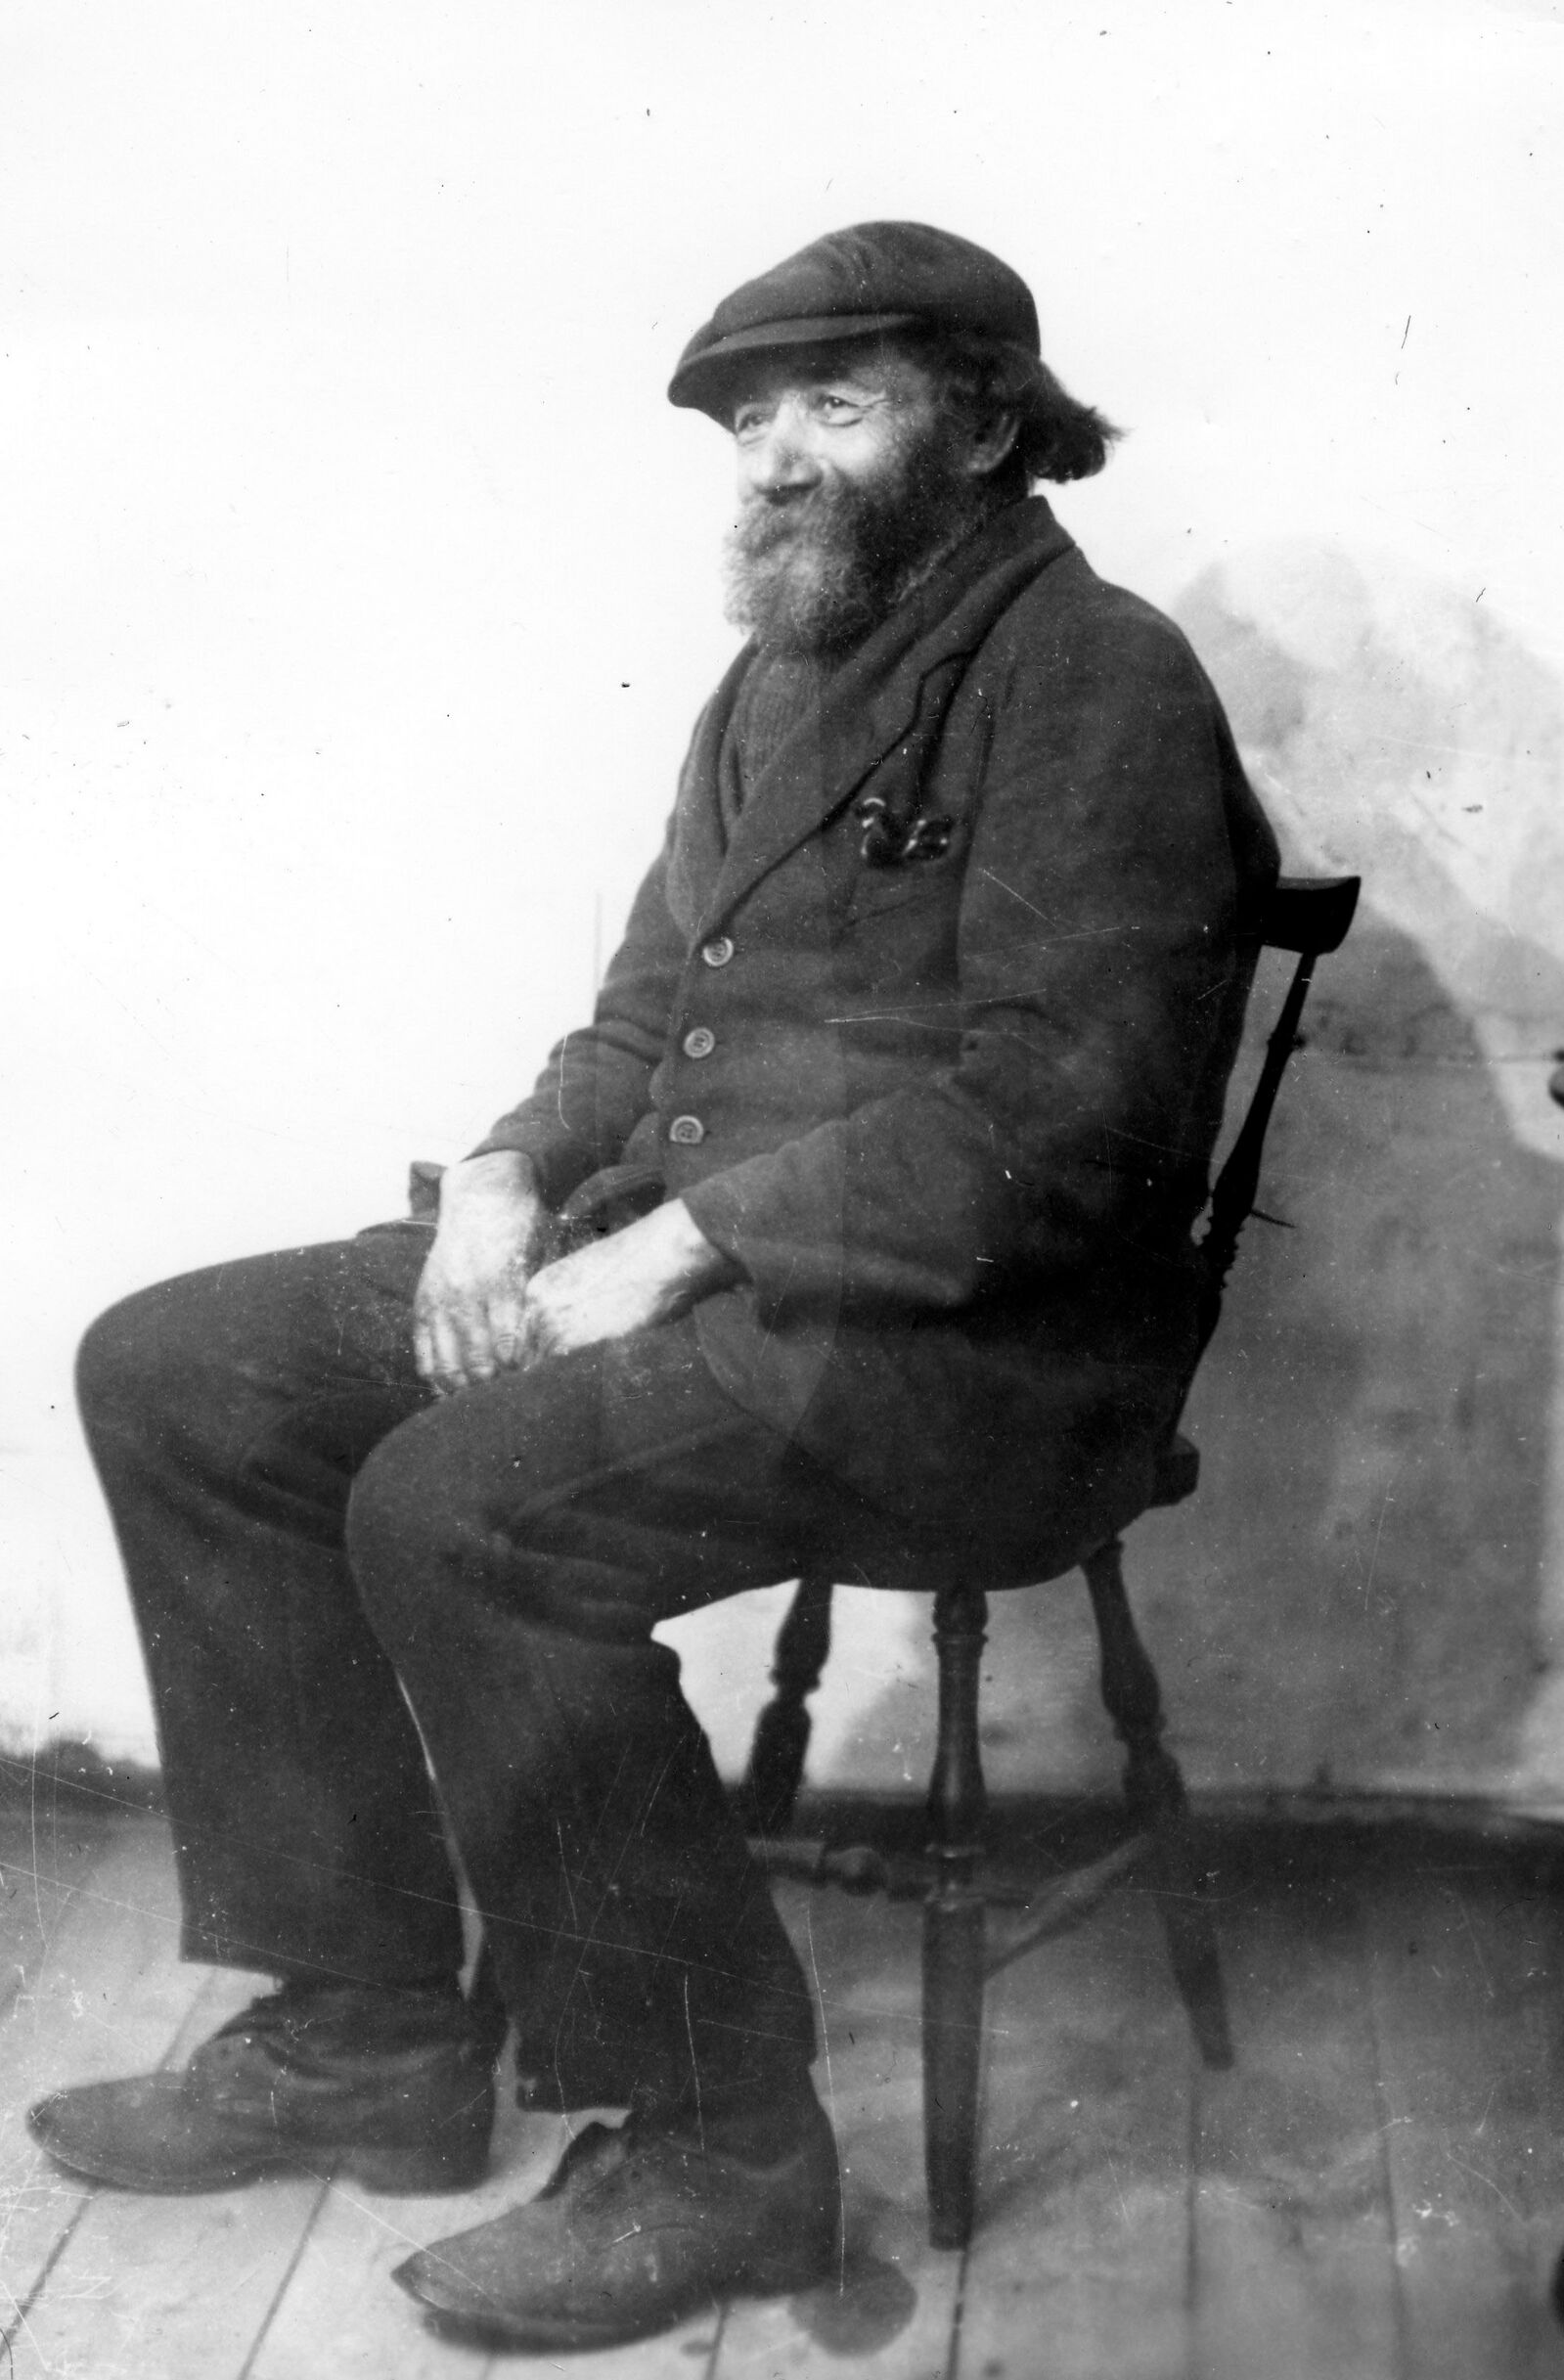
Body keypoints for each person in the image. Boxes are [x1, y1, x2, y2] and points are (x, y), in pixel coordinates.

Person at [28, 221, 1278, 2352]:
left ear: (987, 428)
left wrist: (681, 1246)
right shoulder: (778, 674)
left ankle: (727, 2147)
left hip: (976, 1351)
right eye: (750, 417)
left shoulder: (1097, 676)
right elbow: (638, 1024)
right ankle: (365, 2029)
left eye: (837, 405)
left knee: (463, 1506)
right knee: (186, 1368)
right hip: (714, 1286)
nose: (774, 457)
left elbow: (1068, 1118)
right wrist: (507, 1179)